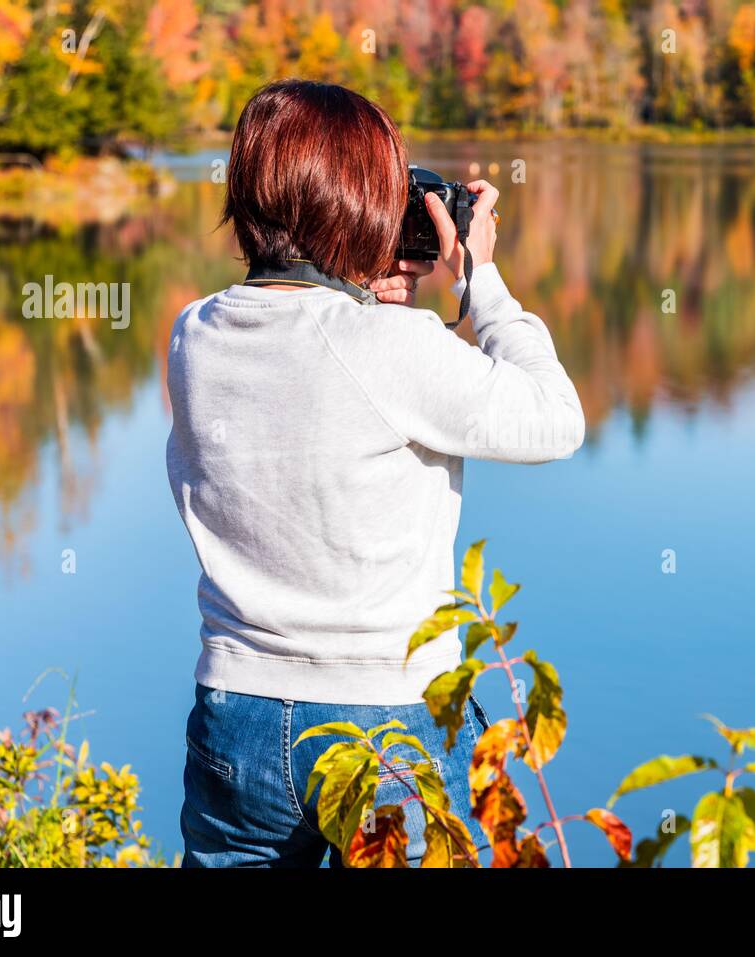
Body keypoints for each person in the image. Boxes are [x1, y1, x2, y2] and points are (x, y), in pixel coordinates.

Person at [166, 79, 585, 866]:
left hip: (237, 709)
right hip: (385, 716)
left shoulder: (196, 334)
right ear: (353, 200)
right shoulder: (395, 347)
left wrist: (365, 288)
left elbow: (309, 368)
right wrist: (479, 282)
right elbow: (555, 419)